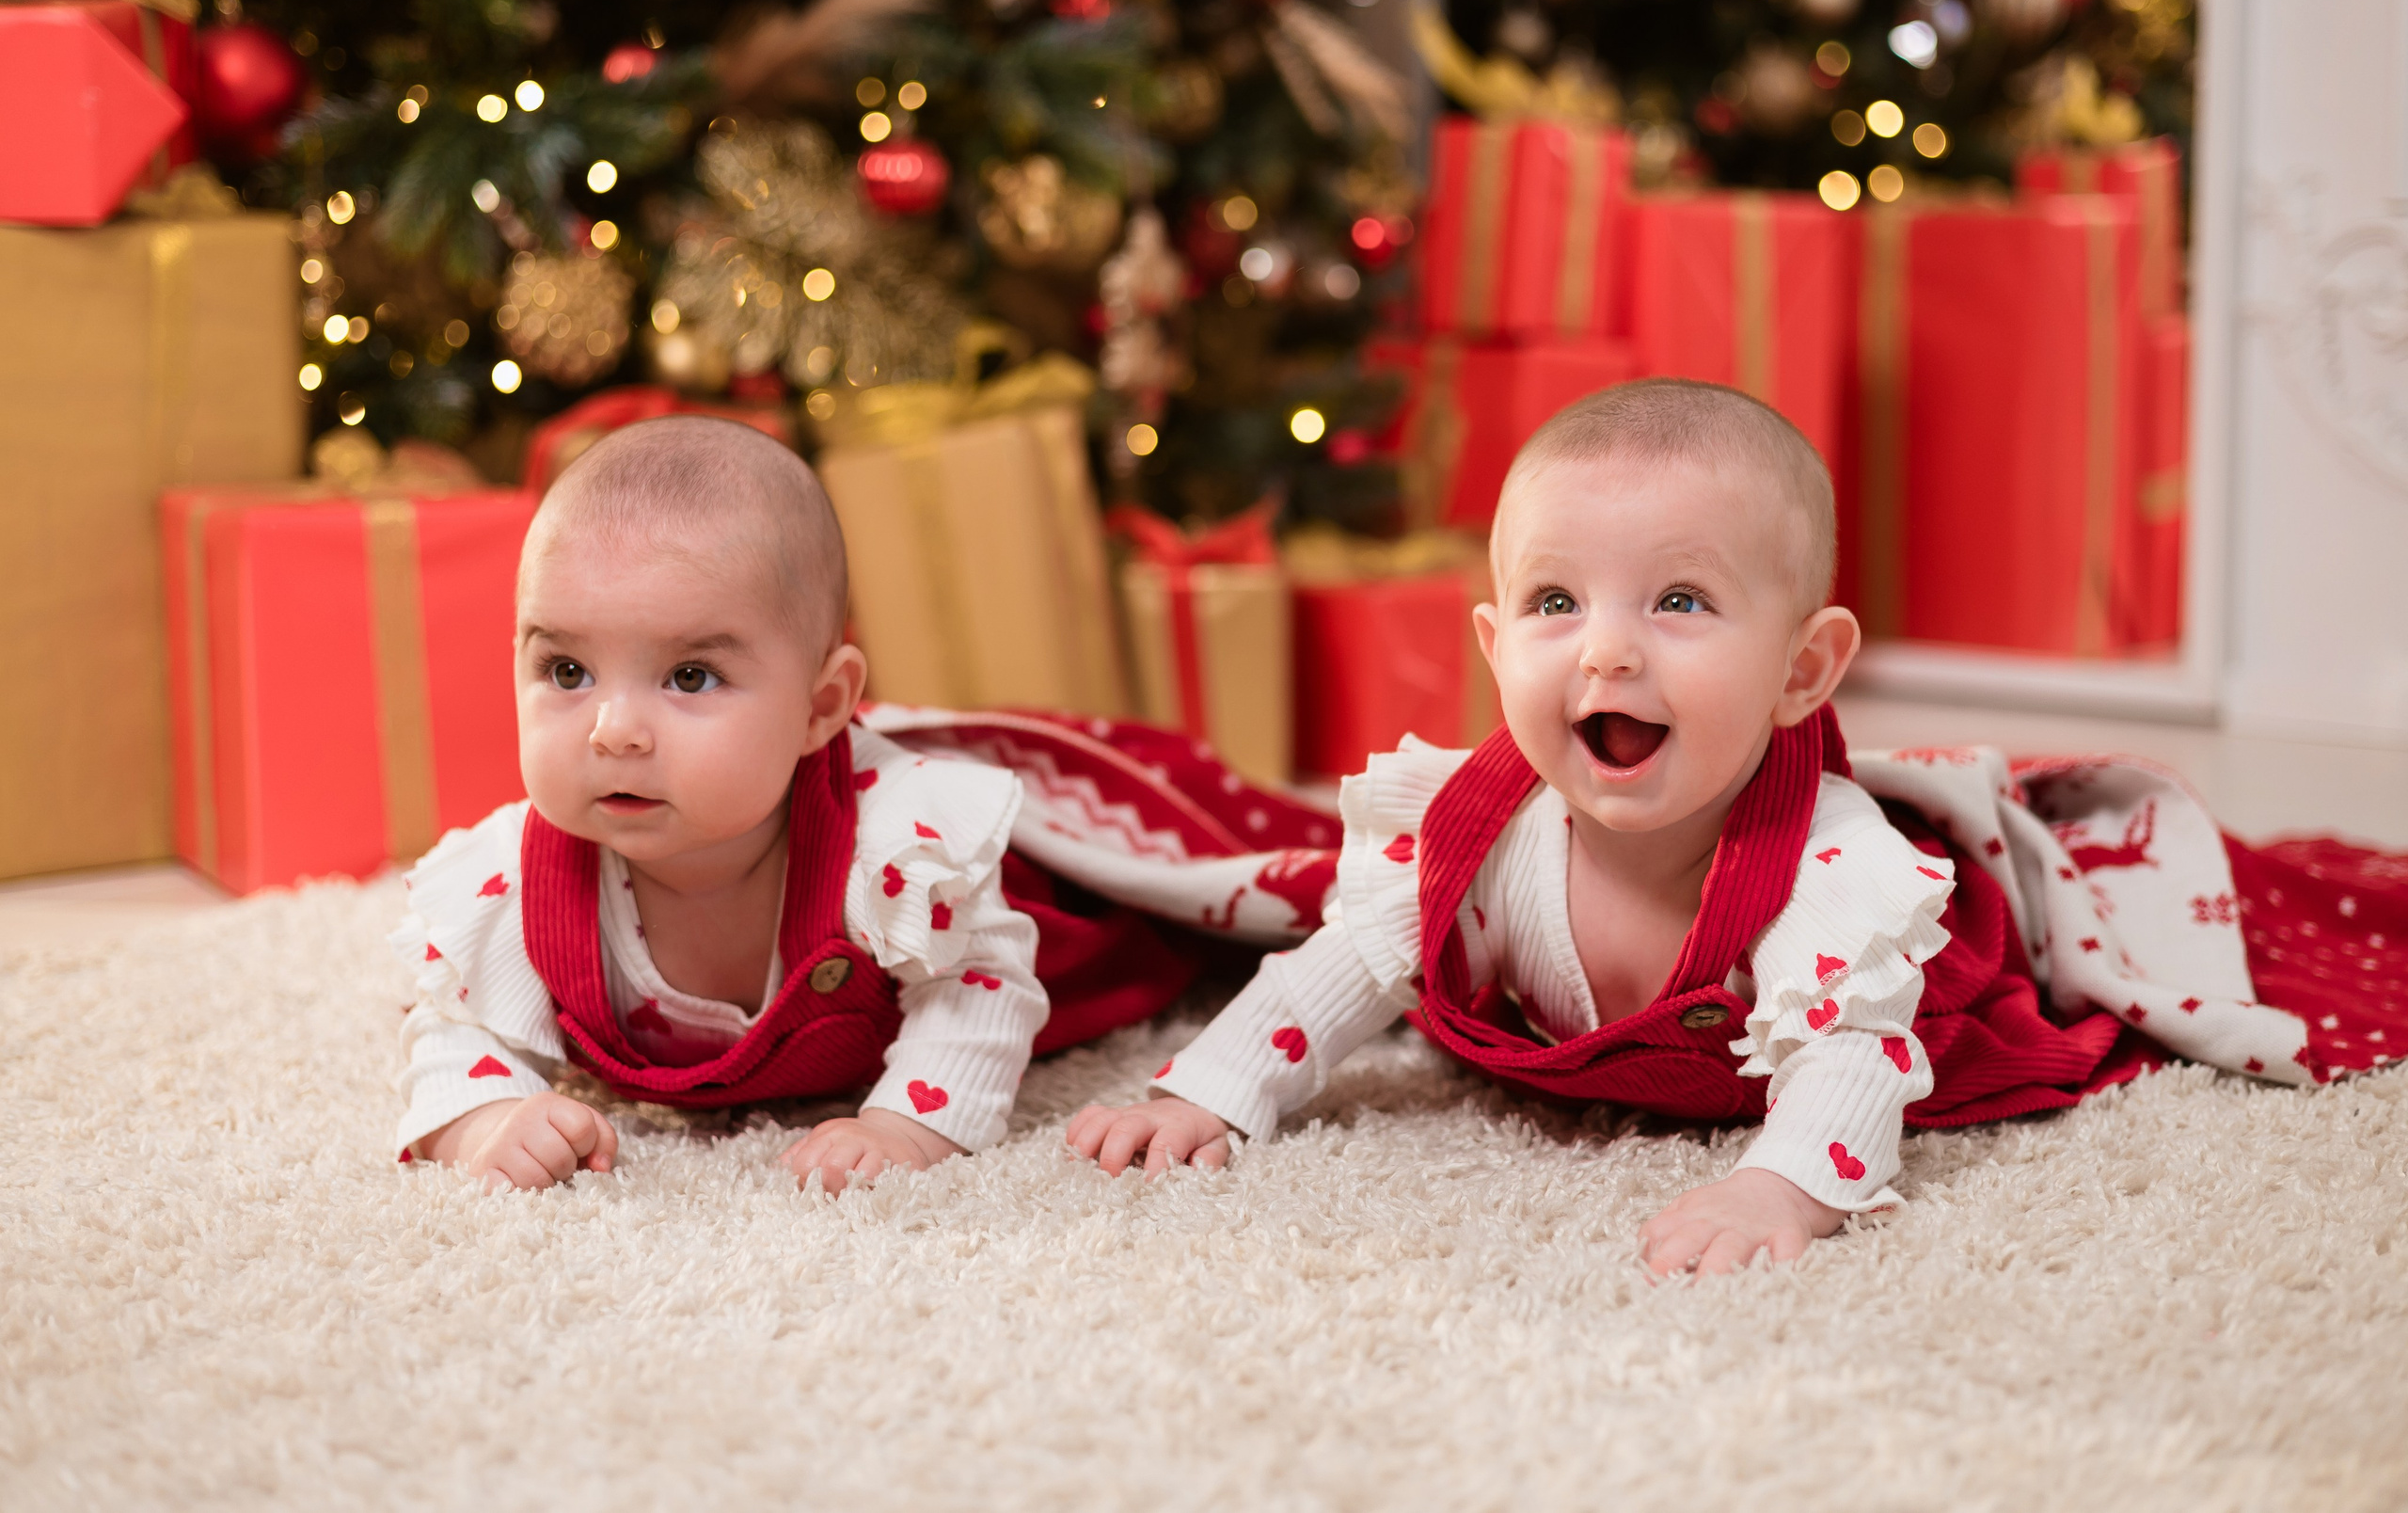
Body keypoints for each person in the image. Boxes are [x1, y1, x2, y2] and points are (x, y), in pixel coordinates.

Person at [1067, 378, 2408, 1277]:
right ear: (1491, 643)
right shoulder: (1480, 832)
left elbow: (1854, 1058)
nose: (1605, 652)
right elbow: (1346, 968)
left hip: (1945, 966)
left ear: (1802, 670)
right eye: (1552, 604)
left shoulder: (1832, 865)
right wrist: (1210, 1091)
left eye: (1681, 603)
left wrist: (1780, 1189)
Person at [396, 418, 1129, 1192]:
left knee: (1125, 935)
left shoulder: (888, 842)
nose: (613, 731)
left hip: (1071, 944)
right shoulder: (516, 877)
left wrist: (904, 1129)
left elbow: (982, 981)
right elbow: (450, 1018)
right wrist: (485, 1121)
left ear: (821, 706)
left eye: (689, 676)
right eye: (568, 670)